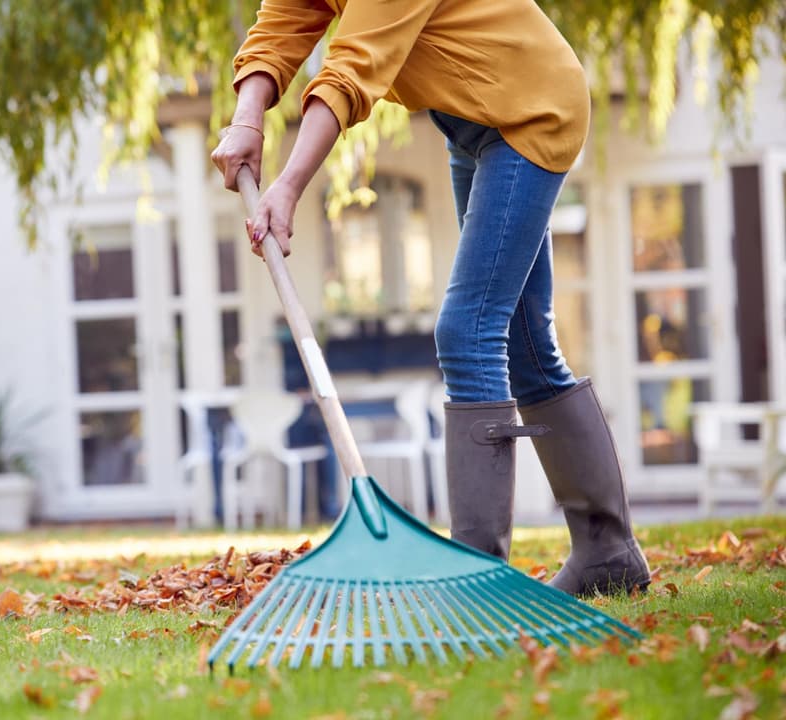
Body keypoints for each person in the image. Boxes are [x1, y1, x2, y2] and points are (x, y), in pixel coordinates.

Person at [211, 0, 650, 596]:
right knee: (524, 343)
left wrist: (287, 186)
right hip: (471, 120)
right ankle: (608, 554)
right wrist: (247, 118)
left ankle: (478, 575)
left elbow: (354, 67)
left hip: (531, 109)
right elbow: (287, 17)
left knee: (467, 332)